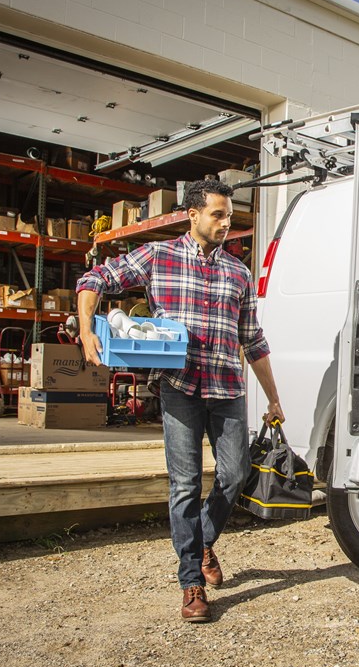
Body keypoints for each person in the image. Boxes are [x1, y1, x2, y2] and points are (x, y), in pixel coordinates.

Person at [76, 179, 283, 623]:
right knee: (185, 484)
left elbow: (253, 340)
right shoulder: (158, 256)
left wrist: (274, 398)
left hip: (227, 388)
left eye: (229, 216)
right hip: (179, 386)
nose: (226, 223)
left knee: (236, 474)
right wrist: (86, 327)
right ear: (193, 215)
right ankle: (191, 582)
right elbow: (95, 278)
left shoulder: (238, 273)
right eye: (218, 215)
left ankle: (203, 540)